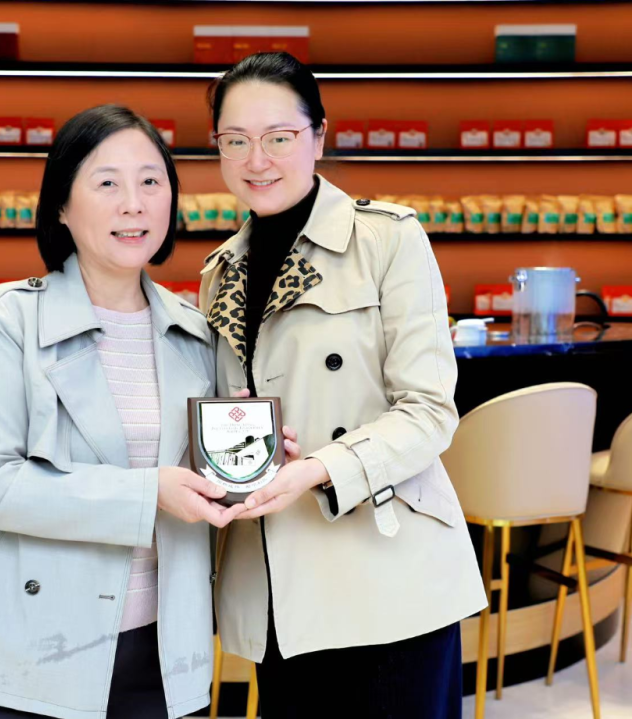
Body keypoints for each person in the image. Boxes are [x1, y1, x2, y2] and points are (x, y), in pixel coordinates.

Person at [0, 105, 263, 719]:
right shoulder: (7, 319)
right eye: (107, 183)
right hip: (25, 645)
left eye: (151, 181)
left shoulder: (197, 333)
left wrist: (249, 457)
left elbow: (201, 484)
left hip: (161, 649)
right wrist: (149, 492)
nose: (134, 204)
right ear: (61, 206)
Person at [200, 53, 487, 719]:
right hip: (279, 586)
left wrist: (321, 467)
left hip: (385, 571)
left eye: (279, 137)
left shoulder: (386, 239)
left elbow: (429, 411)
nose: (256, 160)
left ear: (319, 137)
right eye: (234, 140)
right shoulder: (220, 272)